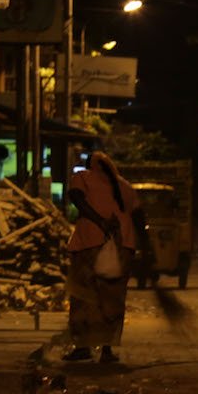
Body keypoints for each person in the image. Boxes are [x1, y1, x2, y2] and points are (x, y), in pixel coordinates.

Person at [63, 151, 146, 363]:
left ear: (91, 164)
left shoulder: (82, 177)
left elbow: (76, 198)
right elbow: (138, 216)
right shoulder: (125, 186)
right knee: (113, 299)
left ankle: (82, 347)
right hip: (123, 247)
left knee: (84, 296)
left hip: (88, 244)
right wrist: (147, 248)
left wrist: (98, 220)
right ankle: (107, 350)